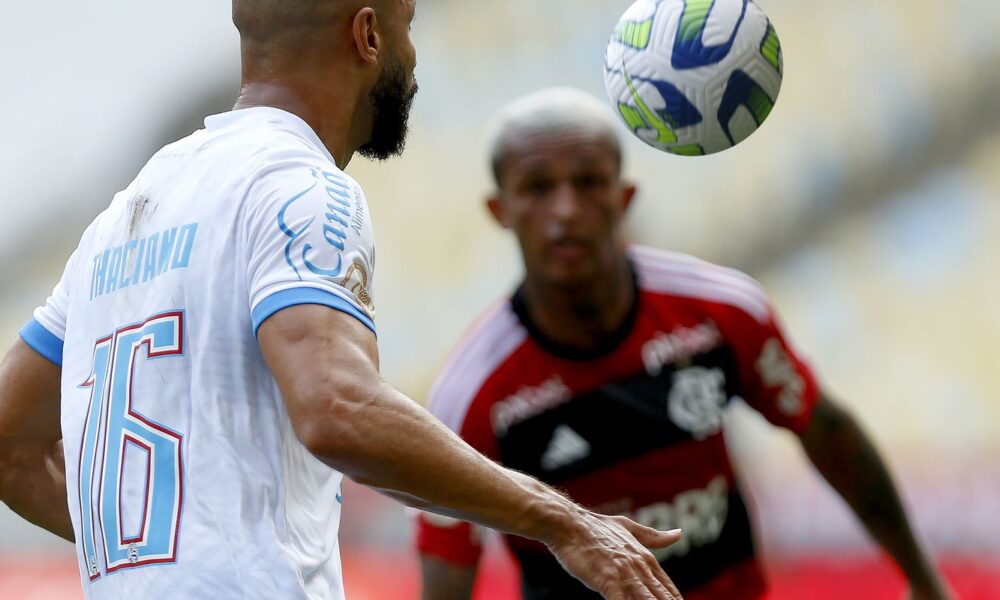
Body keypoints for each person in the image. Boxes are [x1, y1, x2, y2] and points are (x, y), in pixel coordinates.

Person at [0, 4, 686, 599]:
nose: (415, 58)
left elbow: (9, 445)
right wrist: (562, 519)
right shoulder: (299, 186)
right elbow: (338, 409)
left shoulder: (120, 219)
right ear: (368, 36)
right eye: (408, 24)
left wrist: (162, 548)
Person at [416, 88, 953, 600]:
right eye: (537, 187)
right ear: (499, 210)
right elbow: (447, 568)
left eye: (588, 182)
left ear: (623, 198)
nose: (565, 210)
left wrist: (922, 578)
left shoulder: (720, 312)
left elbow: (827, 430)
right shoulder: (473, 392)